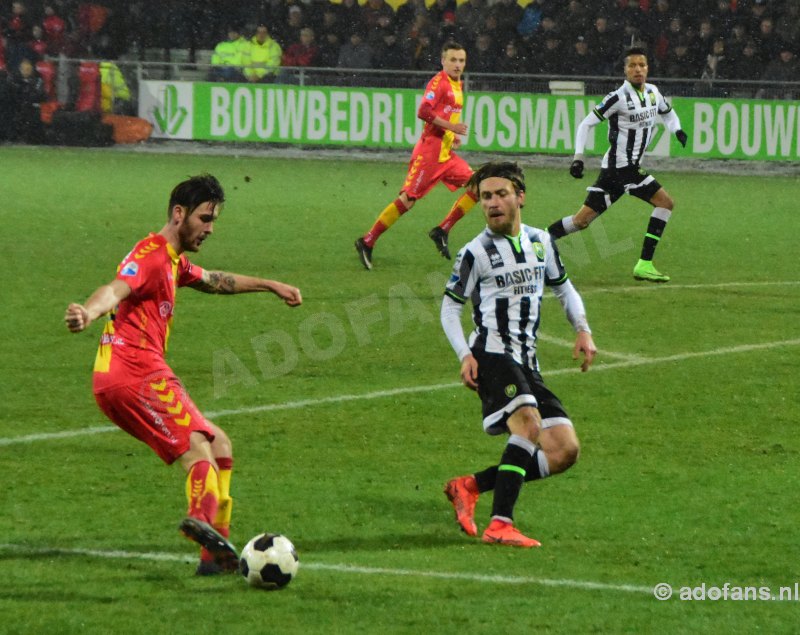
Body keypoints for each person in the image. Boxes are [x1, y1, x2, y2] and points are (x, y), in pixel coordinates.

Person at [64, 174, 302, 575]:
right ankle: (200, 520)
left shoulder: (172, 260)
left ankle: (216, 560)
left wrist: (270, 284)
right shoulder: (152, 254)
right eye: (205, 218)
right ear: (179, 214)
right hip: (134, 373)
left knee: (219, 444)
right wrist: (89, 311)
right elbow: (116, 288)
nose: (210, 228)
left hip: (124, 377)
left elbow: (213, 281)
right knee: (197, 450)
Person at [441, 161, 596, 547]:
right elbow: (449, 307)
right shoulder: (474, 253)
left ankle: (470, 486)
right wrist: (465, 354)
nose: (492, 203)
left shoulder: (542, 242)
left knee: (563, 450)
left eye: (501, 194)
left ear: (520, 197)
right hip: (491, 355)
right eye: (485, 196)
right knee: (528, 426)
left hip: (527, 361)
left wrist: (583, 330)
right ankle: (500, 524)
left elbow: (564, 289)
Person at [547, 47, 689, 283]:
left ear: (647, 68)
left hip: (623, 171)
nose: (638, 70)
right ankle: (644, 264)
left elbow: (668, 113)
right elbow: (585, 124)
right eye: (632, 65)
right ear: (625, 70)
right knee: (665, 203)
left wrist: (677, 130)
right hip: (619, 169)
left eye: (641, 65)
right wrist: (578, 157)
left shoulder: (653, 92)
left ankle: (538, 241)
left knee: (581, 221)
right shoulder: (617, 97)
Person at [354, 41, 478, 270]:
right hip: (430, 154)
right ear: (443, 61)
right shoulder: (439, 82)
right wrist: (451, 128)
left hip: (446, 153)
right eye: (453, 60)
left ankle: (442, 230)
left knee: (478, 186)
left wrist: (452, 136)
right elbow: (423, 111)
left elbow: (444, 114)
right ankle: (367, 241)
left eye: (461, 60)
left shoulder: (457, 83)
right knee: (408, 200)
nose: (458, 64)